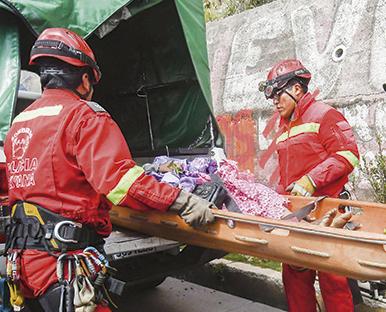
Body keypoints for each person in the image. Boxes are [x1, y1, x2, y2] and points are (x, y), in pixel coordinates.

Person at [3, 27, 215, 311]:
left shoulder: (19, 123)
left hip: (24, 266)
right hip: (63, 266)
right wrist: (182, 201)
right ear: (84, 77)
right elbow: (121, 183)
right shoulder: (84, 116)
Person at [259, 59, 360, 312]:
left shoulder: (324, 114)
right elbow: (286, 175)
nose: (274, 101)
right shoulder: (284, 130)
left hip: (328, 214)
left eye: (278, 94)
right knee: (294, 278)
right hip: (297, 217)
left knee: (333, 281)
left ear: (296, 89)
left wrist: (311, 179)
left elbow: (348, 155)